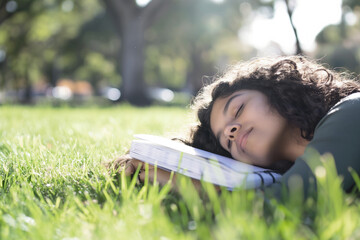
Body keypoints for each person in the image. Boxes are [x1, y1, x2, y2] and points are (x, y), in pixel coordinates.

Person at [107, 56, 360, 200]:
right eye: (226, 142)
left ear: (279, 88)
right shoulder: (285, 177)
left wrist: (183, 184)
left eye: (237, 109)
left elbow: (281, 206)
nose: (231, 132)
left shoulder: (351, 112)